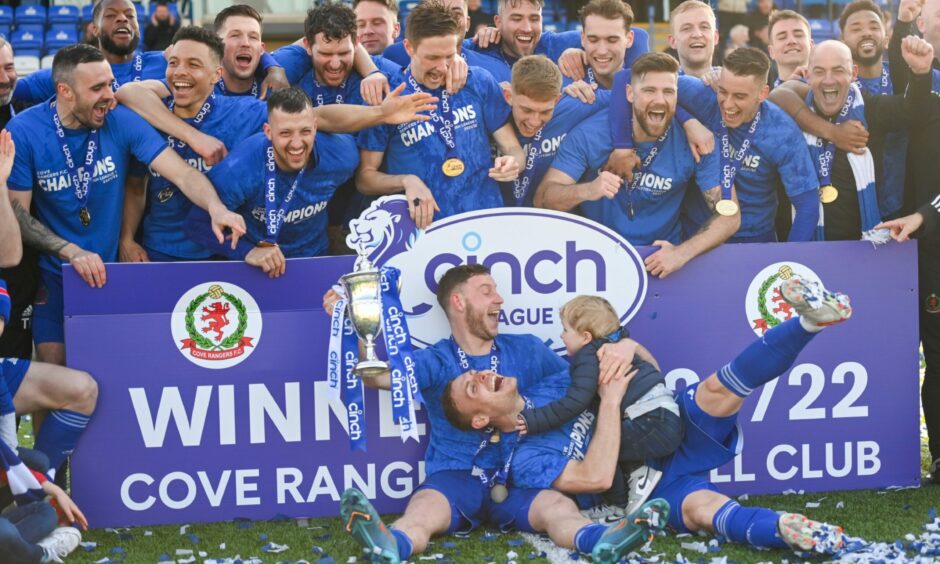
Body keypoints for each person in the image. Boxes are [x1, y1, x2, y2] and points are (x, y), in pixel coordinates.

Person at [445, 277, 853, 555]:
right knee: (703, 510)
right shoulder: (524, 459)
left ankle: (807, 323)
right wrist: (609, 399)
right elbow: (597, 478)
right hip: (647, 488)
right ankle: (785, 529)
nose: (482, 374)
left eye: (477, 373)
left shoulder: (554, 380)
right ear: (479, 420)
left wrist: (627, 347)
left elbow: (638, 367)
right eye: (472, 386)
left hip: (662, 429)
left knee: (717, 389)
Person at [320, 263, 646, 564]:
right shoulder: (436, 360)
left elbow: (584, 381)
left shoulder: (527, 348)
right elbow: (377, 376)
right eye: (487, 291)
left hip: (520, 477)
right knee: (424, 508)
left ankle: (602, 540)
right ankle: (392, 545)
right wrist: (351, 322)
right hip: (456, 474)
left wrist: (627, 346)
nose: (500, 299)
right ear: (459, 302)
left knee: (558, 508)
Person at [5, 44, 246, 367]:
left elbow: (184, 174)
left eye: (109, 83)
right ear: (65, 91)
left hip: (113, 272)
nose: (110, 95)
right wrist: (70, 251)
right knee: (54, 366)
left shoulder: (119, 120)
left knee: (114, 374)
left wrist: (217, 208)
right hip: (57, 273)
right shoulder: (23, 132)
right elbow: (17, 214)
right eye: (98, 88)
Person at [186, 85, 438, 276]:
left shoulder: (342, 155)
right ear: (268, 132)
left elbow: (353, 186)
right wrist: (247, 251)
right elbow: (196, 223)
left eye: (305, 132)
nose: (297, 144)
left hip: (316, 262)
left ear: (316, 128)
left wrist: (407, 180)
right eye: (285, 133)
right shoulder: (241, 167)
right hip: (255, 268)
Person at [535, 52, 739, 279]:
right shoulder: (590, 135)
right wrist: (588, 190)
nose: (660, 100)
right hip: (595, 264)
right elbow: (542, 199)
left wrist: (682, 253)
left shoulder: (698, 141)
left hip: (663, 262)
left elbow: (730, 215)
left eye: (668, 92)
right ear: (630, 94)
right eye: (649, 91)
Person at [614, 48, 821, 243]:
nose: (728, 104)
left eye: (739, 96)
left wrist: (789, 259)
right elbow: (627, 78)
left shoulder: (782, 132)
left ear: (763, 93)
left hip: (755, 239)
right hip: (697, 234)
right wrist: (688, 120)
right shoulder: (703, 95)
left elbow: (808, 206)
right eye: (723, 91)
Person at [356, 1, 524, 229]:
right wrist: (406, 181)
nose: (443, 67)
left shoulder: (478, 82)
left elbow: (513, 149)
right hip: (423, 232)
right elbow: (365, 178)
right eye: (432, 58)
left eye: (449, 56)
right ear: (408, 48)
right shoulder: (390, 96)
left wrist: (512, 163)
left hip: (486, 222)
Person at [515, 295, 681, 519]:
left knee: (596, 448)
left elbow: (575, 401)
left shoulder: (588, 356)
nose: (561, 336)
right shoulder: (616, 343)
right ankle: (637, 474)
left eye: (565, 330)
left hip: (651, 423)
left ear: (585, 337)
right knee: (610, 435)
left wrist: (533, 420)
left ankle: (617, 503)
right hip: (661, 418)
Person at [115, 26, 271, 263]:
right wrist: (127, 239)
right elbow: (136, 186)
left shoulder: (246, 112)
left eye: (193, 64)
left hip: (225, 250)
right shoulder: (150, 116)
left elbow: (298, 122)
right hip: (161, 251)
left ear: (216, 75)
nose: (180, 72)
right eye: (174, 63)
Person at [768, 38, 931, 241]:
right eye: (819, 71)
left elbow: (910, 110)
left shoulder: (869, 109)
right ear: (808, 76)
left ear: (853, 73)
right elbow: (776, 95)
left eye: (838, 70)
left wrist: (921, 73)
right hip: (801, 251)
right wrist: (832, 132)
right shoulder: (791, 112)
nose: (829, 80)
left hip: (861, 249)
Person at [879, 0, 940, 484]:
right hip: (931, 248)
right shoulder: (924, 94)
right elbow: (912, 86)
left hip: (927, 225)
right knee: (936, 353)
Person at [501, 55, 609, 207]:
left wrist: (623, 147)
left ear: (557, 100)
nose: (535, 121)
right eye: (527, 110)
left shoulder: (576, 103)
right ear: (508, 96)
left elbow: (631, 94)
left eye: (545, 112)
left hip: (550, 223)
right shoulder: (488, 106)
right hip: (493, 222)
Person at [467, 0, 649, 85]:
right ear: (498, 22)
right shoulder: (481, 47)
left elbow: (638, 36)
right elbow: (450, 49)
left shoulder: (553, 43)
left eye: (534, 19)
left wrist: (586, 53)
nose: (527, 28)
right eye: (516, 19)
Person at [838, 0, 908, 218]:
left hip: (907, 210)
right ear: (842, 40)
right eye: (856, 29)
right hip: (851, 213)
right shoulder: (834, 87)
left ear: (886, 39)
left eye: (874, 27)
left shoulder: (903, 78)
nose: (866, 33)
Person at [557, 0, 637, 103]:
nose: (602, 51)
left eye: (612, 40)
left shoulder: (644, 83)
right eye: (593, 40)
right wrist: (565, 101)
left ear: (629, 39)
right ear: (582, 38)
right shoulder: (563, 84)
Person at [766, 10, 813, 87]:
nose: (791, 41)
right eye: (782, 37)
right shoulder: (764, 97)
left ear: (811, 45)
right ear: (771, 51)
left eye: (798, 35)